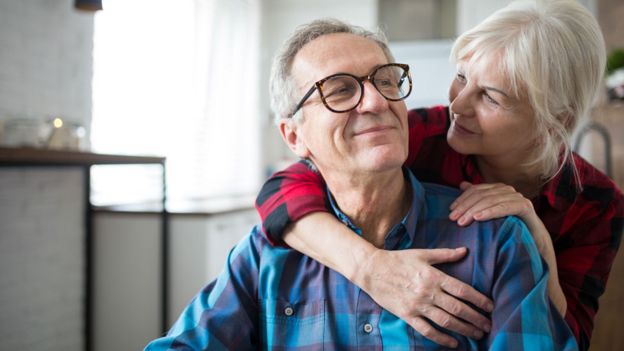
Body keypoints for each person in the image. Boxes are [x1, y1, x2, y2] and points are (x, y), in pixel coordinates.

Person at [146, 19, 577, 350]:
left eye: (386, 80)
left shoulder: (497, 242)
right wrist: (368, 266)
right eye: (339, 90)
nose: (375, 102)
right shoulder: (265, 256)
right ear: (294, 136)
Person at [254, 0, 624, 349]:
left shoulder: (596, 203)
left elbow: (570, 334)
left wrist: (540, 245)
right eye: (462, 77)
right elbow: (280, 189)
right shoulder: (424, 134)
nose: (458, 105)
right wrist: (370, 268)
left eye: (490, 97)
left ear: (554, 121)